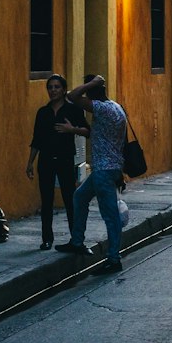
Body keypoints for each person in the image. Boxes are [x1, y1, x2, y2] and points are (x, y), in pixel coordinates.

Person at [56, 75, 130, 276]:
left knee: (110, 216)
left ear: (91, 92)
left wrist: (91, 83)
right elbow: (97, 135)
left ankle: (114, 259)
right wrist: (74, 129)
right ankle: (77, 241)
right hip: (109, 168)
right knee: (79, 197)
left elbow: (72, 96)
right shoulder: (116, 107)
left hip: (104, 171)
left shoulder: (102, 108)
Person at [26, 75, 86, 251]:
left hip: (65, 159)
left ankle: (75, 238)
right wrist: (30, 163)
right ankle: (46, 239)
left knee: (70, 198)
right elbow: (36, 139)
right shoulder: (42, 112)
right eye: (50, 87)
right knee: (46, 200)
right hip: (45, 160)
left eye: (57, 87)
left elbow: (87, 131)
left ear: (64, 89)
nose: (53, 90)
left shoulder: (72, 111)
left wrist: (71, 129)